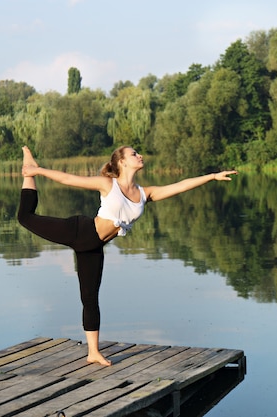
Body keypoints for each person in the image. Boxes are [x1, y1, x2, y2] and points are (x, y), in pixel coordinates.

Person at [18, 146, 237, 366]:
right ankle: (29, 169)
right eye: (134, 154)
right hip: (79, 231)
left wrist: (212, 177)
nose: (140, 156)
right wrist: (39, 172)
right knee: (25, 217)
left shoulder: (144, 193)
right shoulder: (107, 184)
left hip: (93, 247)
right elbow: (68, 179)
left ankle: (93, 352)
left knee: (90, 298)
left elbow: (179, 186)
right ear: (121, 162)